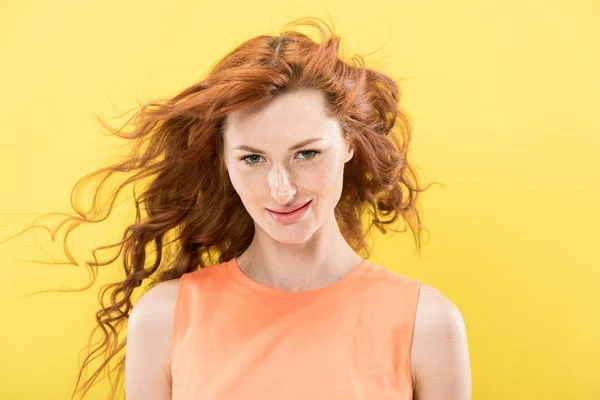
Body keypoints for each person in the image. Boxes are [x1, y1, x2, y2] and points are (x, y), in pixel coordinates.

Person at [6, 16, 471, 400]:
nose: (282, 189)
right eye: (252, 158)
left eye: (306, 153)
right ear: (224, 162)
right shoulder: (164, 319)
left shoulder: (427, 324)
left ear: (349, 143)